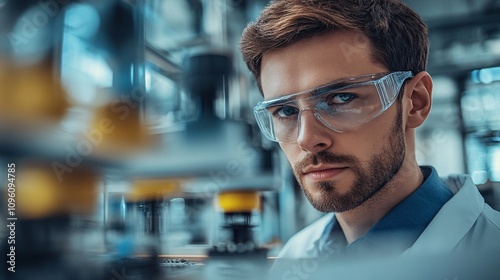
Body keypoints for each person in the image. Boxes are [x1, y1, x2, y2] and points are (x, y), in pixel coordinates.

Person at [240, 0, 500, 262]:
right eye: (285, 111)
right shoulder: (293, 258)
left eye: (342, 98)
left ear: (416, 103)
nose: (306, 139)